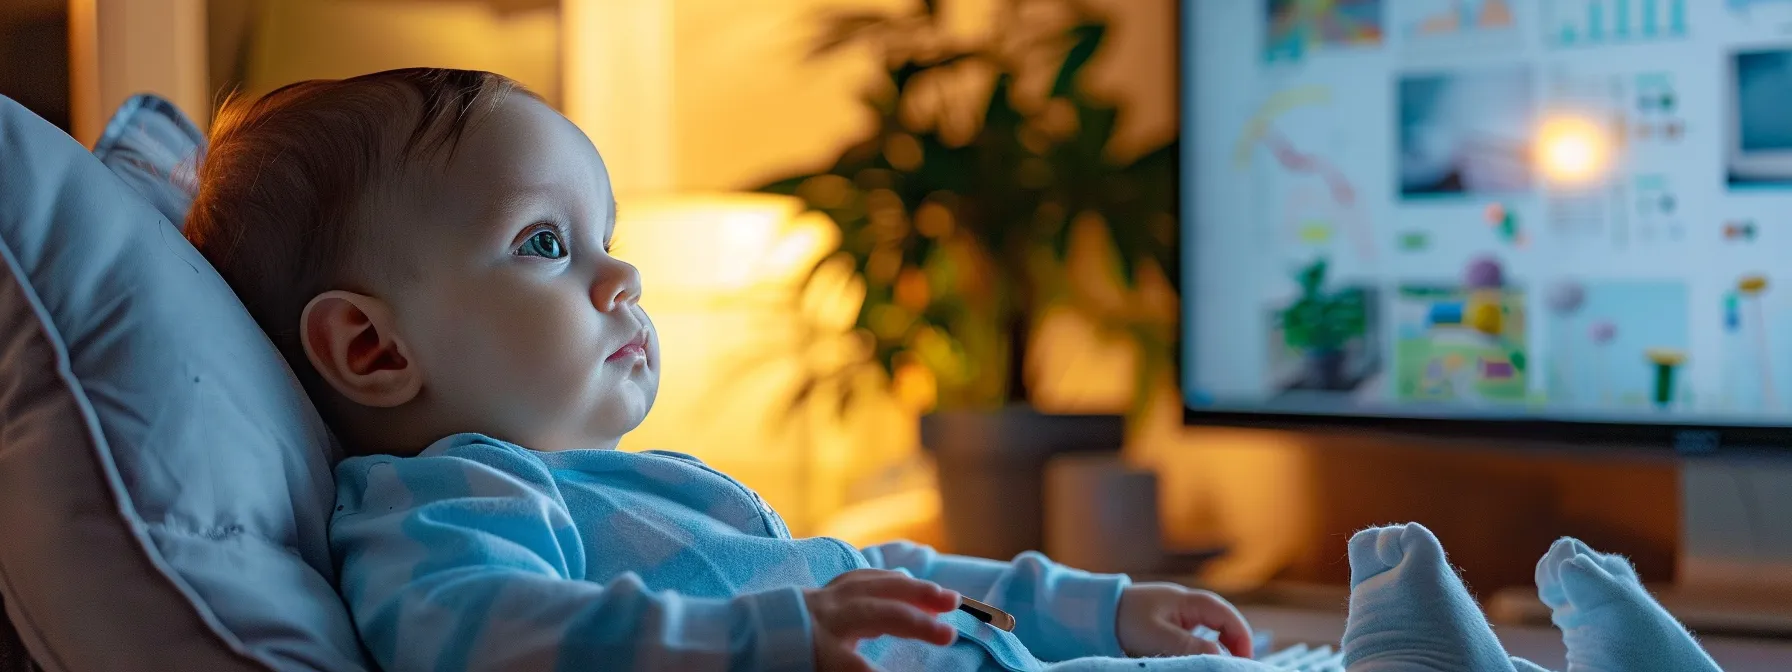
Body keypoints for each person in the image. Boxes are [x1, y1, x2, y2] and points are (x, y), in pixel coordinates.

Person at [183, 68, 1721, 672]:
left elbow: (898, 573)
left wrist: (1104, 604)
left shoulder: (658, 488)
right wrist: (779, 635)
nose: (618, 278)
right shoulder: (440, 505)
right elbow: (484, 643)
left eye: (608, 237)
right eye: (543, 244)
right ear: (371, 346)